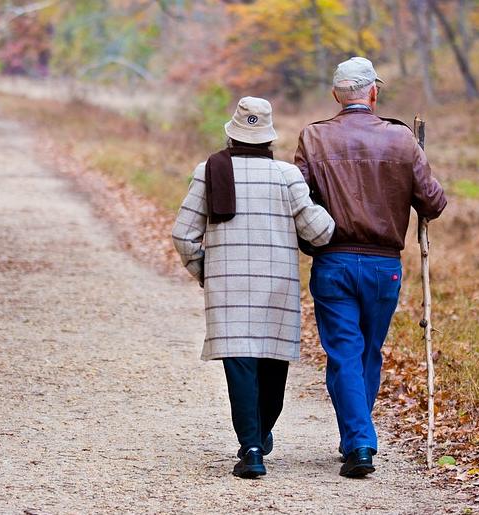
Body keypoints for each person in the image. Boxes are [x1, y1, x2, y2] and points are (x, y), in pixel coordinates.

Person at [294, 57, 447, 478]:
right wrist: (415, 161)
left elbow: (296, 197)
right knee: (367, 351)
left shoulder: (313, 137)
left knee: (344, 352)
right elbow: (434, 202)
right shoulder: (401, 140)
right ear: (373, 93)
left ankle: (357, 440)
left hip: (334, 260)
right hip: (384, 267)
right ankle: (358, 439)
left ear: (335, 96)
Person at [172, 96, 335, 479]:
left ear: (231, 135)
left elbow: (183, 234)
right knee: (272, 366)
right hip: (276, 287)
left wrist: (205, 271)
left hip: (227, 289)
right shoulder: (287, 176)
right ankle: (259, 436)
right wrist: (325, 206)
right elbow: (320, 232)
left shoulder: (209, 171)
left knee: (240, 365)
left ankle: (252, 447)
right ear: (269, 139)